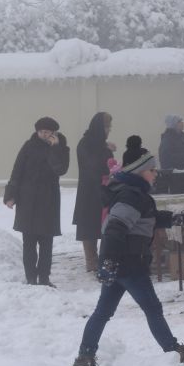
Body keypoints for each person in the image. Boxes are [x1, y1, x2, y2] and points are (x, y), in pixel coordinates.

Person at [73, 152, 184, 366]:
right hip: (129, 263)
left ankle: (85, 355)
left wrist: (172, 218)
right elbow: (115, 228)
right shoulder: (131, 195)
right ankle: (174, 352)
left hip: (119, 262)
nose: (156, 174)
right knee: (152, 308)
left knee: (103, 312)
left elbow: (147, 217)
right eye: (152, 170)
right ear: (140, 172)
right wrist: (108, 262)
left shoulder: (134, 193)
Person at [3, 117, 70, 286]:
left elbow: (60, 169)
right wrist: (10, 195)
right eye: (41, 132)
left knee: (46, 242)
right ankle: (31, 278)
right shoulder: (29, 146)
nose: (43, 135)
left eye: (47, 132)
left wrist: (55, 148)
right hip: (28, 199)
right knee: (29, 242)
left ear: (54, 133)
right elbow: (17, 170)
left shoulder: (61, 147)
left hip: (49, 200)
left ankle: (44, 278)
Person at [73, 112, 114, 273]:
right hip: (89, 191)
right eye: (106, 127)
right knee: (89, 225)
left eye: (109, 127)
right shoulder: (85, 143)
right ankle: (91, 260)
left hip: (103, 189)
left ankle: (102, 258)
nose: (109, 130)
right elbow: (91, 165)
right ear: (98, 127)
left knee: (103, 224)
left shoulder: (101, 144)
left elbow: (108, 164)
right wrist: (104, 149)